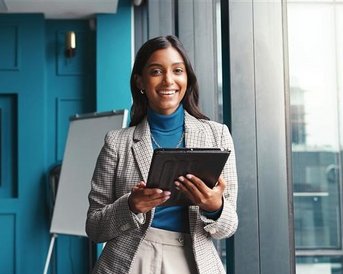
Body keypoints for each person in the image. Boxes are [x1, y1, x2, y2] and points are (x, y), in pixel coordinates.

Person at [86, 35, 238, 274]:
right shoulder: (117, 142)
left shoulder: (217, 135)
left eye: (177, 70)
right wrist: (131, 205)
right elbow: (94, 227)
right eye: (156, 71)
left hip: (193, 262)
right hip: (131, 262)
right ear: (140, 81)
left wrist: (214, 206)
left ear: (187, 78)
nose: (168, 80)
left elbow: (228, 227)